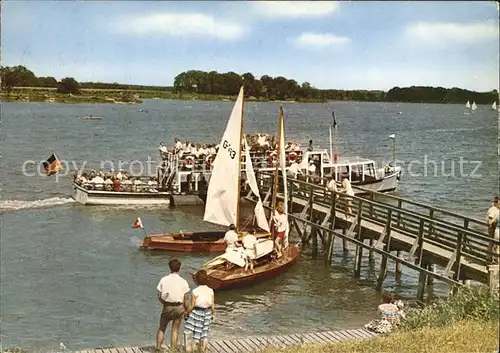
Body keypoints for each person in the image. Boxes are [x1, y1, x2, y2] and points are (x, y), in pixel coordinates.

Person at [156, 258, 190, 352]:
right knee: (175, 330)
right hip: (179, 307)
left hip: (167, 306)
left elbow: (159, 295)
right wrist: (187, 310)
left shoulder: (163, 279)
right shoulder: (183, 281)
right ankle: (173, 349)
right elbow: (186, 299)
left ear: (169, 268)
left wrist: (164, 303)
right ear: (179, 268)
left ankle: (158, 348)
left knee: (162, 328)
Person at [183, 270, 215, 353]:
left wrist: (186, 313)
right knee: (204, 333)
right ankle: (202, 350)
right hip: (207, 313)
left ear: (196, 280)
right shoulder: (211, 290)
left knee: (188, 329)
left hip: (196, 312)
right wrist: (213, 314)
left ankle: (189, 349)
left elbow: (192, 305)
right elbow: (212, 305)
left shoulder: (195, 291)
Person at [487, 197, 500, 263]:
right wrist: (492, 222)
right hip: (493, 229)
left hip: (495, 229)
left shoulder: (496, 209)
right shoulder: (494, 209)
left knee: (493, 244)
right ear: (497, 202)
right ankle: (492, 259)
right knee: (494, 245)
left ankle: (491, 258)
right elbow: (490, 219)